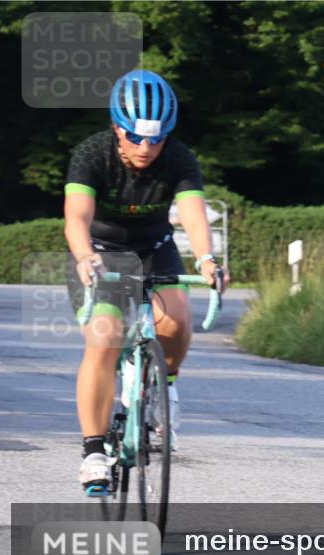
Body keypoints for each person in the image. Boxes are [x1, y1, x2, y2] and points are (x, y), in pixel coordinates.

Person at [64, 70, 230, 491]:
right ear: (117, 128)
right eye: (135, 137)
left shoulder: (179, 156)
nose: (145, 148)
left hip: (154, 246)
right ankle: (94, 451)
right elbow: (76, 216)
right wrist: (84, 256)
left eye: (155, 140)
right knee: (105, 338)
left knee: (176, 320)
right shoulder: (92, 154)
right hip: (100, 251)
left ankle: (164, 388)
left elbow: (192, 211)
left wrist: (208, 259)